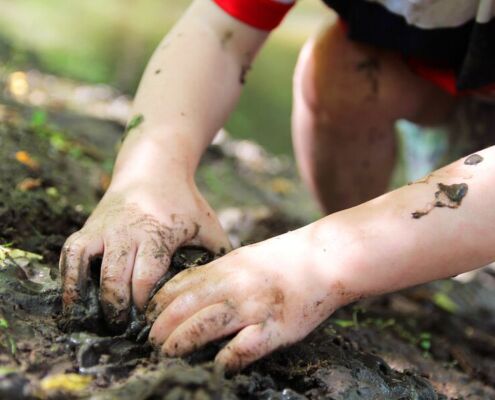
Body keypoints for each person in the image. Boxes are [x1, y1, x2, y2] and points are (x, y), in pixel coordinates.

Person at [59, 0, 495, 371]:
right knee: (344, 68)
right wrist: (150, 176)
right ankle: (397, 276)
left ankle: (382, 260)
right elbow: (219, 29)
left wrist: (320, 261)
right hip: (443, 80)